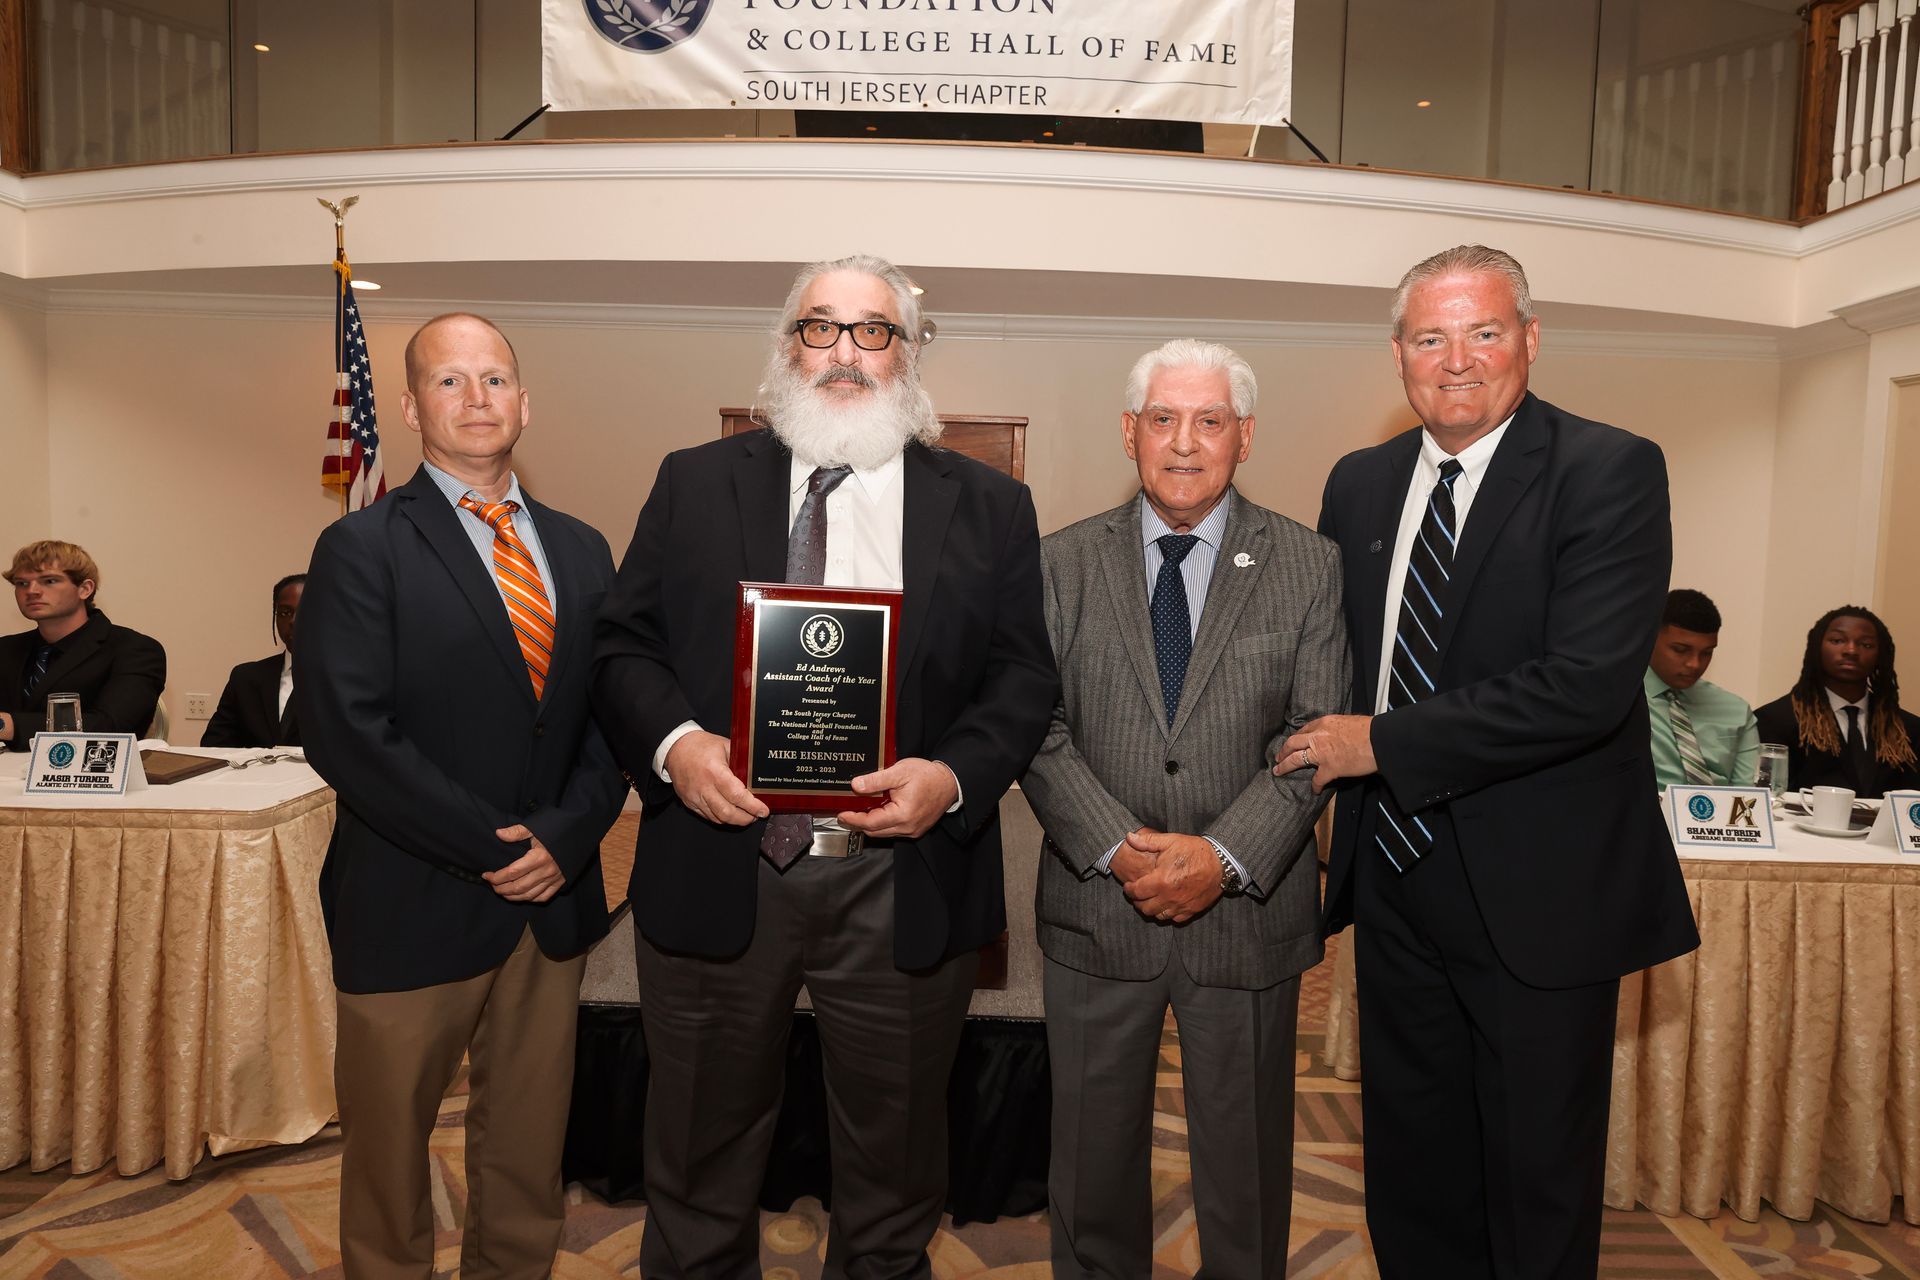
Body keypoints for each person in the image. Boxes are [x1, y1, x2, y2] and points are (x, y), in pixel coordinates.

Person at [592, 253, 1057, 1278]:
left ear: (909, 352)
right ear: (786, 346)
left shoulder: (988, 506)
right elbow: (622, 646)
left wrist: (954, 777)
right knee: (699, 1163)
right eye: (821, 327)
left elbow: (1022, 681)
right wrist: (677, 745)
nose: (845, 352)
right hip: (724, 862)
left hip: (902, 876)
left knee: (893, 1176)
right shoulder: (694, 482)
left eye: (873, 330)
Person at [1283, 245, 1698, 1278]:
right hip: (1394, 879)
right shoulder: (1362, 483)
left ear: (1530, 339)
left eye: (1483, 331)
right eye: (1431, 337)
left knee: (1535, 1179)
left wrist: (1377, 742)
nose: (1457, 359)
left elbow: (1583, 685)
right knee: (1413, 1169)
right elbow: (1325, 657)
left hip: (1539, 892)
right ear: (1398, 355)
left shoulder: (1609, 467)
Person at [296, 313, 627, 1280]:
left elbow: (611, 722)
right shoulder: (361, 547)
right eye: (450, 381)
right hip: (410, 897)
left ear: (525, 402)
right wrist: (496, 846)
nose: (475, 398)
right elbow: (348, 734)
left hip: (552, 902)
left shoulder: (584, 547)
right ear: (410, 406)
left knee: (528, 1148)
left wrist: (564, 840)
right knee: (389, 1156)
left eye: (493, 379)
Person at [1021, 339, 1348, 1279]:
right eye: (1162, 419)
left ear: (1245, 437)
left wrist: (1222, 856)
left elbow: (1312, 736)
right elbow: (1033, 729)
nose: (1184, 443)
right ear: (1130, 432)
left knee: (1245, 1182)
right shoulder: (1060, 562)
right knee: (1088, 1172)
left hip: (1247, 914)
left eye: (1210, 421)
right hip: (1097, 909)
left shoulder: (1309, 564)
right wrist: (1120, 848)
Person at [0, 539, 165, 749]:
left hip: (89, 776)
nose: (31, 591)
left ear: (85, 589)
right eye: (22, 583)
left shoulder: (135, 649)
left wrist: (6, 725)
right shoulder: (5, 649)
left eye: (49, 581)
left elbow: (111, 727)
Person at [1754, 606, 1920, 799]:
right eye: (1837, 640)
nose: (1851, 650)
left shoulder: (1908, 730)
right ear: (1817, 648)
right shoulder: (1776, 720)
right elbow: (1769, 799)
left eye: (1865, 644)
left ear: (1880, 655)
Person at [1644, 587, 1759, 788]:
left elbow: (1747, 796)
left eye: (1706, 653)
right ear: (1651, 636)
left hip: (1721, 815)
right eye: (1680, 650)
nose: (1694, 664)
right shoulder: (1622, 698)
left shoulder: (1736, 711)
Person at [202, 574, 305, 748]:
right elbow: (214, 745)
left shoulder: (347, 681)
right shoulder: (245, 679)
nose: (294, 621)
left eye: (305, 611)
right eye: (285, 613)